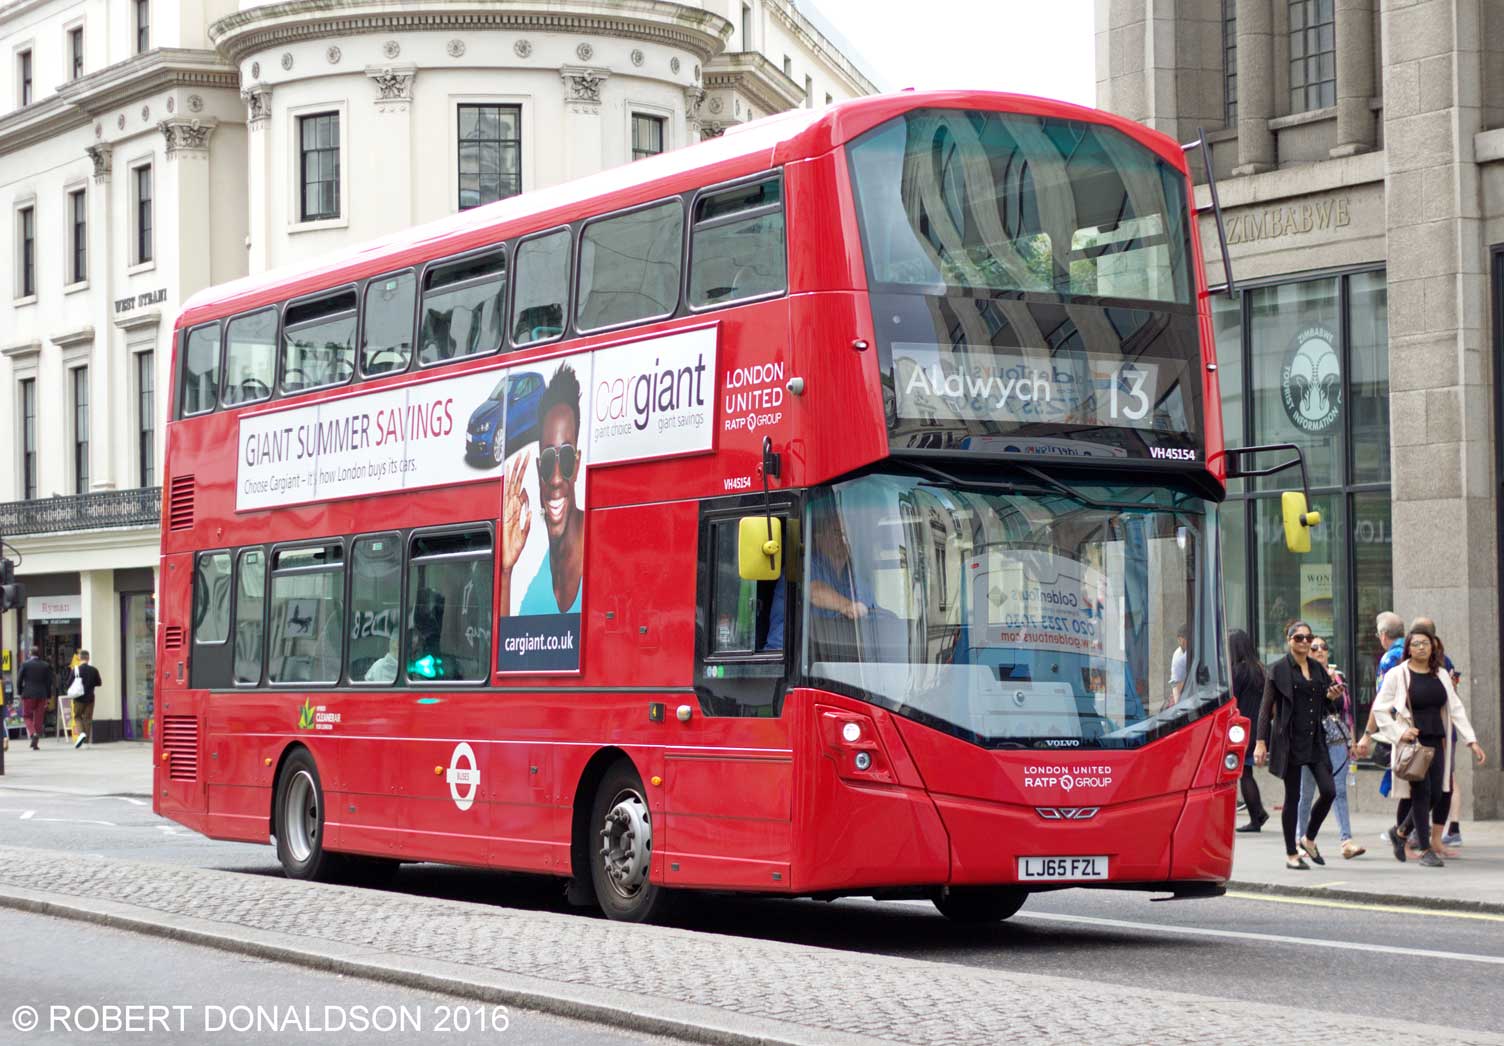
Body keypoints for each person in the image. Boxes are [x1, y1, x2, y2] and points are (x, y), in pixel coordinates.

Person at [1372, 629, 1486, 867]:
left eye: (1426, 643)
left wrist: (1471, 741)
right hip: (1413, 743)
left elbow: (1456, 708)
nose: (1421, 648)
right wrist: (1399, 732)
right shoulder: (1398, 675)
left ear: (1433, 647)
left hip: (1437, 740)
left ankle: (1401, 832)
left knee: (1438, 793)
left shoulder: (1441, 674)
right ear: (1409, 649)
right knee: (1421, 794)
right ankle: (1424, 849)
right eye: (1416, 644)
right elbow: (1380, 708)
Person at [1254, 621, 1342, 870]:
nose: (1304, 642)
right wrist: (1260, 742)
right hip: (1289, 741)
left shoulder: (1316, 668)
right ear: (1289, 640)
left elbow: (1326, 705)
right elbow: (1264, 708)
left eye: (1308, 638)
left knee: (1329, 791)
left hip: (1315, 739)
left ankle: (1308, 838)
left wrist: (1331, 697)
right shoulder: (1278, 669)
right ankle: (1291, 853)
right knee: (1292, 796)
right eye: (1299, 638)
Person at [501, 364, 585, 616]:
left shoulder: (600, 546)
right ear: (538, 471)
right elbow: (511, 649)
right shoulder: (539, 578)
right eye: (548, 461)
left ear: (578, 464)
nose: (556, 479)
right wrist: (506, 571)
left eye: (567, 458)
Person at [1297, 637, 1364, 858]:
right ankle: (1301, 838)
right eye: (1314, 648)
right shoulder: (1303, 675)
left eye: (1324, 647)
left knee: (1339, 791)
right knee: (1306, 792)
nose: (1319, 651)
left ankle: (1346, 841)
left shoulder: (1338, 676)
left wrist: (1352, 741)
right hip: (1311, 740)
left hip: (1336, 739)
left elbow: (1346, 711)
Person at [1228, 629, 1268, 832]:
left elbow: (1231, 700)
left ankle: (1256, 815)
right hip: (1258, 727)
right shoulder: (1259, 669)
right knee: (1247, 771)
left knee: (1244, 773)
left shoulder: (1237, 672)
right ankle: (1258, 811)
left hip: (1241, 726)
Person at [61, 650, 102, 749]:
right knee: (87, 719)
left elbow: (68, 683)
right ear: (88, 658)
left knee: (77, 716)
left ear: (79, 658)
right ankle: (86, 743)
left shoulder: (76, 670)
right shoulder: (94, 670)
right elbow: (99, 683)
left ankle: (81, 734)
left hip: (78, 698)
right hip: (90, 698)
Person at [16, 648, 53, 750]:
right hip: (42, 694)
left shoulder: (25, 664)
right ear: (39, 654)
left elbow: (19, 680)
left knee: (26, 715)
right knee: (39, 717)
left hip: (28, 694)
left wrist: (20, 692)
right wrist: (48, 696)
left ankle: (33, 734)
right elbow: (49, 683)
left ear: (30, 654)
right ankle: (36, 742)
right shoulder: (45, 665)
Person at [1167, 624, 1188, 709]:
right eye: (1179, 640)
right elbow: (1174, 682)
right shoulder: (1178, 655)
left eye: (1182, 640)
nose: (1181, 643)